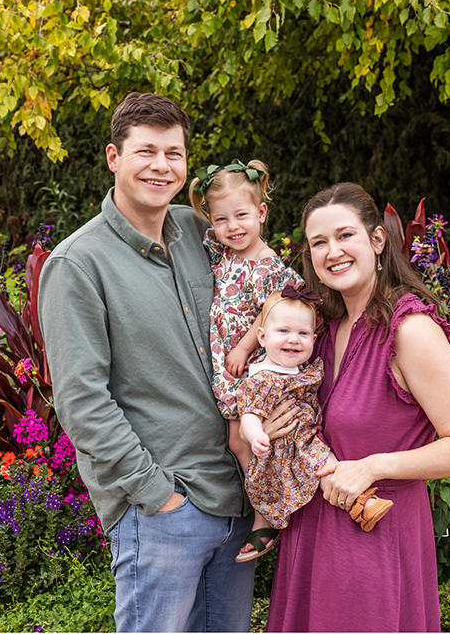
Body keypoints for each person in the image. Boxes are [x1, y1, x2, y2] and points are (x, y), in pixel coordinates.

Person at [38, 92, 266, 632]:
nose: (161, 166)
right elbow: (82, 401)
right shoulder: (77, 264)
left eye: (174, 153)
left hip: (234, 500)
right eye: (146, 151)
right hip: (163, 510)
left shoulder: (201, 234)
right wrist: (156, 494)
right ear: (114, 158)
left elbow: (260, 291)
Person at [266, 182, 450, 632]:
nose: (333, 252)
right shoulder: (318, 332)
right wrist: (273, 427)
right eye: (319, 243)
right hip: (311, 536)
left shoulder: (411, 331)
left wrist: (371, 466)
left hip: (374, 541)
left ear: (377, 240)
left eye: (345, 235)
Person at [187, 159, 304, 559]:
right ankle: (264, 504)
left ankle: (267, 515)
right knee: (236, 441)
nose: (233, 226)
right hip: (229, 372)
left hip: (253, 370)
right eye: (222, 219)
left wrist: (242, 345)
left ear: (262, 213)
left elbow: (279, 308)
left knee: (242, 442)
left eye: (241, 216)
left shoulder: (267, 264)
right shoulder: (226, 254)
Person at [235, 285, 395, 562]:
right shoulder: (262, 378)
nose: (293, 340)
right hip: (285, 447)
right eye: (283, 332)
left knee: (329, 469)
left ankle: (363, 503)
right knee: (322, 471)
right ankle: (362, 503)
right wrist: (255, 435)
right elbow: (249, 414)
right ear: (262, 337)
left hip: (309, 437)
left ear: (314, 338)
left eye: (303, 333)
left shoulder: (306, 369)